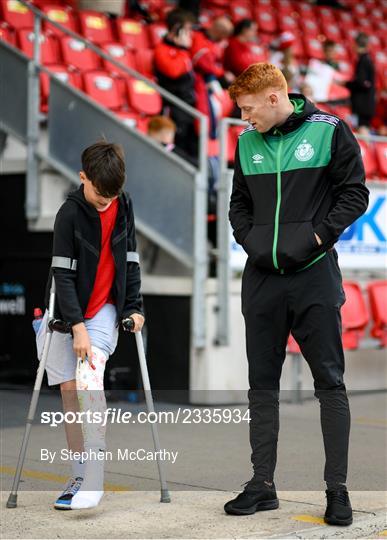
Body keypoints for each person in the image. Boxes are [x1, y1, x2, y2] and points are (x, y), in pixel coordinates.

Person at [225, 63, 369, 525]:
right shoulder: (246, 143)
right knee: (261, 386)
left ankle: (337, 490)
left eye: (248, 109)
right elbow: (238, 204)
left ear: (273, 98)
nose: (245, 119)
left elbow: (354, 194)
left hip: (314, 275)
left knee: (330, 383)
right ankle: (261, 484)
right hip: (262, 279)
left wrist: (315, 239)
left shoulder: (331, 131)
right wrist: (250, 241)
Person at [36, 141, 144, 510]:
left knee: (88, 377)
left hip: (105, 310)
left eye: (112, 194)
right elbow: (62, 277)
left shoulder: (123, 203)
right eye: (100, 194)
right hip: (69, 310)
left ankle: (94, 479)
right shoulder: (69, 213)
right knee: (70, 393)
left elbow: (130, 260)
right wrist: (75, 326)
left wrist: (135, 306)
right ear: (83, 178)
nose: (106, 201)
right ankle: (79, 473)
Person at [154, 8, 197, 157]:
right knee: (175, 149)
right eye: (186, 30)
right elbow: (173, 71)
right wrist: (183, 49)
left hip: (188, 105)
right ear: (175, 29)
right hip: (173, 107)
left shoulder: (182, 50)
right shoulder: (162, 49)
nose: (190, 34)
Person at [191, 16, 234, 139]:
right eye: (224, 35)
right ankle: (211, 135)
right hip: (198, 79)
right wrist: (220, 72)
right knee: (214, 105)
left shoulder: (215, 44)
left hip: (210, 79)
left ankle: (214, 135)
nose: (223, 39)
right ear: (219, 32)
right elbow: (202, 62)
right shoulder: (198, 36)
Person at [345, 33, 376, 130]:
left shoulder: (363, 60)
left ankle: (364, 146)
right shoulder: (367, 59)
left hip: (362, 105)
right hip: (367, 104)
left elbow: (361, 83)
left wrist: (346, 84)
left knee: (362, 129)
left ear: (356, 44)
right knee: (363, 127)